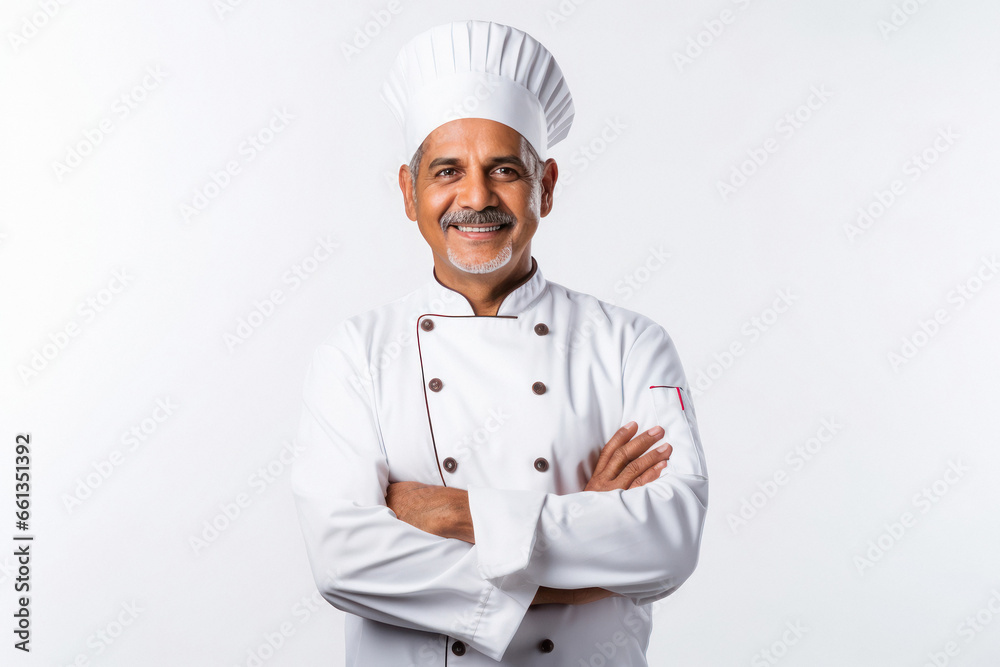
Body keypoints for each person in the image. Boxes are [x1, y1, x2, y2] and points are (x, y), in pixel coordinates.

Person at [291, 19, 709, 666]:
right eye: (447, 171)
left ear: (546, 186)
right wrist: (583, 536)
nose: (477, 197)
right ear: (409, 192)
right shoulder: (354, 356)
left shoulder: (631, 345)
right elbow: (341, 559)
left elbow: (670, 539)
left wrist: (452, 514)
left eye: (505, 169)